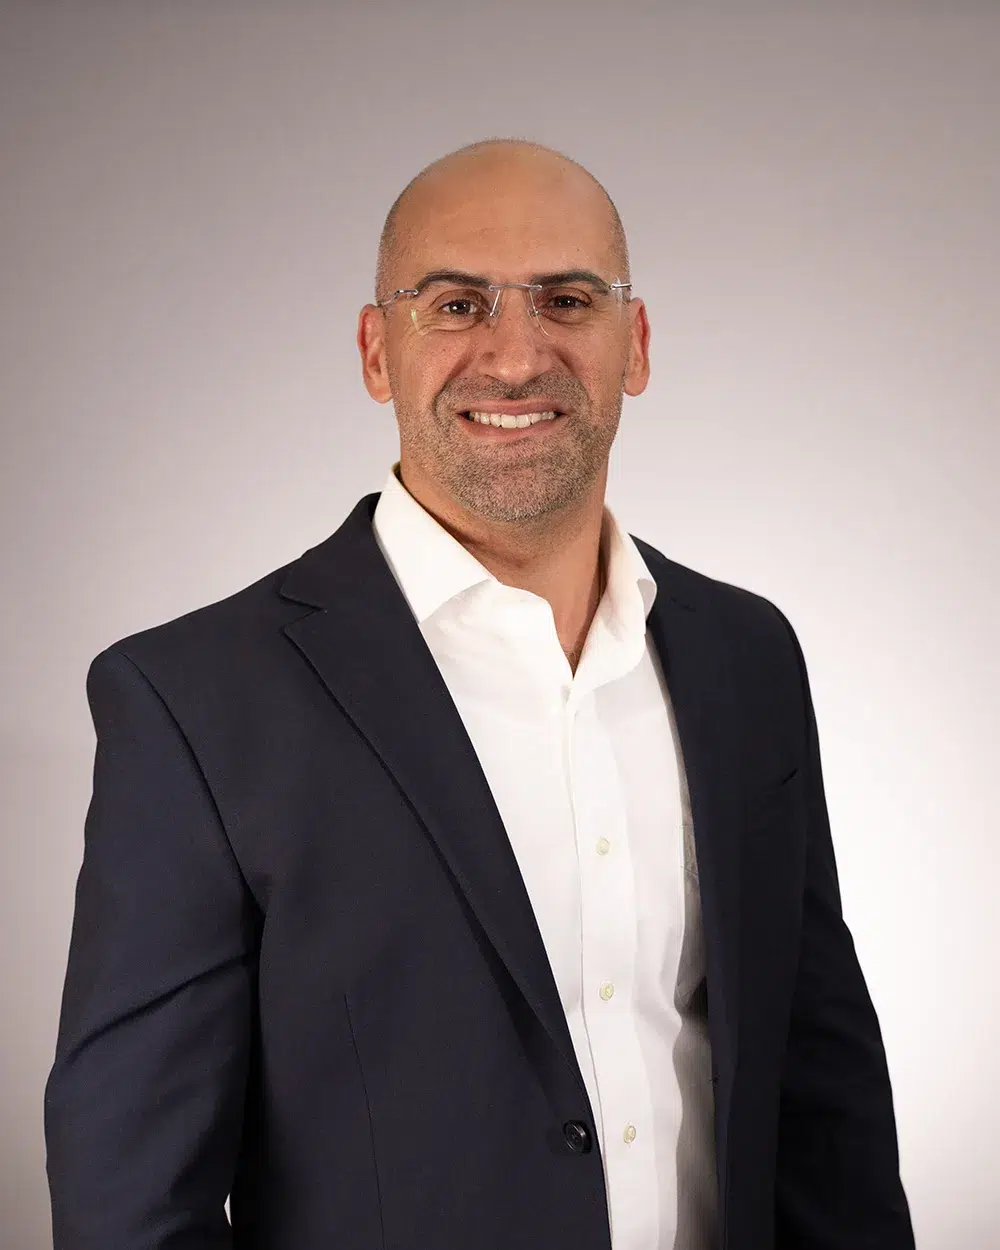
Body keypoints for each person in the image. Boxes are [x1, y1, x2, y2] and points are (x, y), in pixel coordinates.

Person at [44, 139, 915, 1250]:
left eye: (567, 298)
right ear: (375, 350)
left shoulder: (746, 656)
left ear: (634, 343)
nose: (515, 355)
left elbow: (822, 1101)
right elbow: (130, 1198)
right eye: (455, 303)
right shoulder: (196, 700)